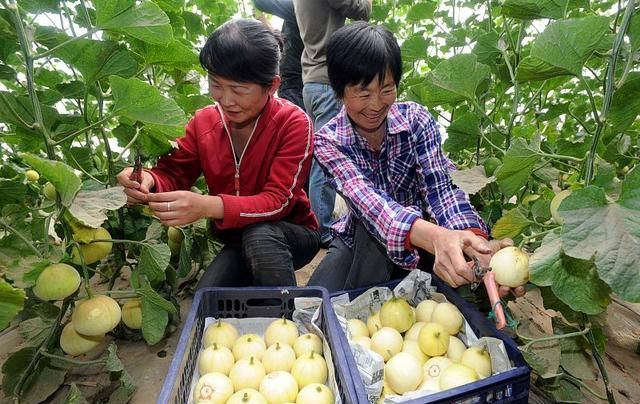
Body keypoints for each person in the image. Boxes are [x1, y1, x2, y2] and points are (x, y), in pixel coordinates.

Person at [308, 22, 526, 299]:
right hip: (365, 239)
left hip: (428, 242)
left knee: (467, 288)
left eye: (386, 89)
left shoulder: (416, 120)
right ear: (340, 92)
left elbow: (441, 190)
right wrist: (438, 239)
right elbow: (371, 204)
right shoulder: (328, 141)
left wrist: (471, 241)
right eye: (363, 93)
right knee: (315, 302)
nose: (376, 105)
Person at [116, 19, 320, 288]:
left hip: (292, 233)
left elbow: (278, 202)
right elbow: (174, 172)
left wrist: (206, 206)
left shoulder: (294, 123)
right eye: (216, 84)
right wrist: (148, 181)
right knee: (209, 295)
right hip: (238, 236)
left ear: (272, 85)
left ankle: (284, 317)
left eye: (238, 89)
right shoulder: (204, 123)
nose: (225, 99)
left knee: (261, 238)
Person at [293, 0, 372, 248]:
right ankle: (323, 230)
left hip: (311, 83)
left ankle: (320, 225)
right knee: (326, 161)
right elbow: (360, 11)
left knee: (319, 158)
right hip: (327, 83)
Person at [253, 0, 304, 110]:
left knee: (297, 123)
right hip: (301, 81)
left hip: (294, 83)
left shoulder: (301, 5)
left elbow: (261, 2)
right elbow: (286, 40)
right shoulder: (316, 10)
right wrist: (265, 23)